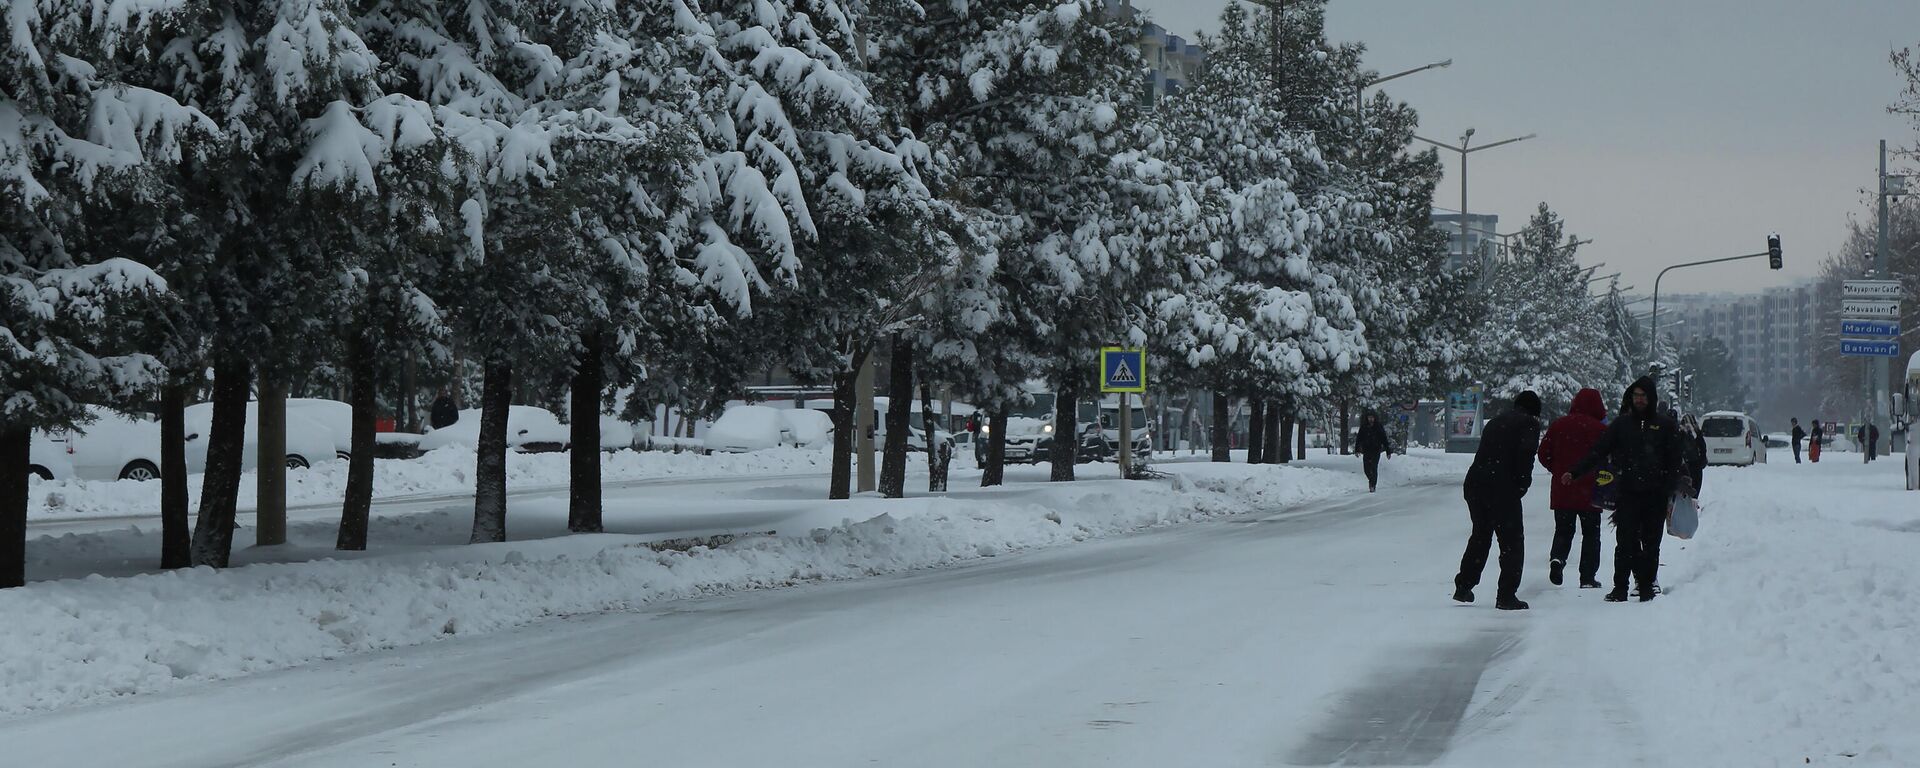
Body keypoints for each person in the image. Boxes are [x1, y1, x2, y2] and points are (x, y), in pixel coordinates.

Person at [1564, 378, 1685, 603]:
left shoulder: (1665, 426)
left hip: (1655, 495)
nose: (1639, 399)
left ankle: (1646, 586)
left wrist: (1670, 486)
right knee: (1625, 541)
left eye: (1643, 395)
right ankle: (1620, 586)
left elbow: (1675, 460)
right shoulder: (1621, 425)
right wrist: (1575, 472)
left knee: (1651, 543)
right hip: (1628, 492)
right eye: (1636, 395)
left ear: (1651, 398)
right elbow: (1598, 451)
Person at [1454, 391, 1544, 611]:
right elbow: (1526, 454)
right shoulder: (1528, 424)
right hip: (1502, 488)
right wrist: (1522, 484)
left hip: (1476, 483)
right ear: (1535, 411)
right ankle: (1506, 595)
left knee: (1481, 535)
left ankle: (1464, 585)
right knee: (1512, 542)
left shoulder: (1495, 422)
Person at [1536, 388, 1609, 589]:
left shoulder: (1559, 425)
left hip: (1563, 488)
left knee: (1563, 530)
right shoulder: (1600, 430)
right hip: (1591, 492)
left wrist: (1557, 469)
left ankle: (1557, 559)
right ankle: (1587, 577)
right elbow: (1608, 458)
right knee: (1591, 535)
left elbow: (1543, 453)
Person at [1355, 412, 1393, 492]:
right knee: (1366, 469)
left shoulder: (1378, 427)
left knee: (1374, 467)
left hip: (1376, 450)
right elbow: (1359, 439)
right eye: (1369, 417)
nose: (1371, 419)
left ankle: (1372, 485)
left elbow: (1384, 439)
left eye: (1372, 417)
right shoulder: (1364, 427)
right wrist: (1357, 449)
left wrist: (1388, 451)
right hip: (1366, 450)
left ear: (1375, 418)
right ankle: (1371, 480)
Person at [1678, 414, 1707, 498]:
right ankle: (1693, 502)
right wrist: (1702, 460)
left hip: (1685, 464)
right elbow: (1702, 447)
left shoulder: (1680, 432)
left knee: (1686, 488)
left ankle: (1687, 502)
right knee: (1695, 487)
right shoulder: (1697, 432)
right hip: (1696, 464)